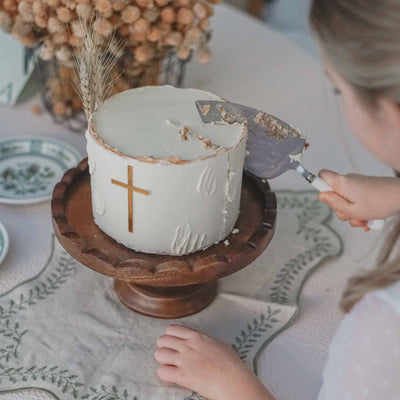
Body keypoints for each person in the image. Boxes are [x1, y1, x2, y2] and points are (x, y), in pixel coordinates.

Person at [154, 0, 400, 398]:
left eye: (340, 91)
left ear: (392, 112)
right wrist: (394, 195)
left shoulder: (386, 329)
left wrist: (232, 384)